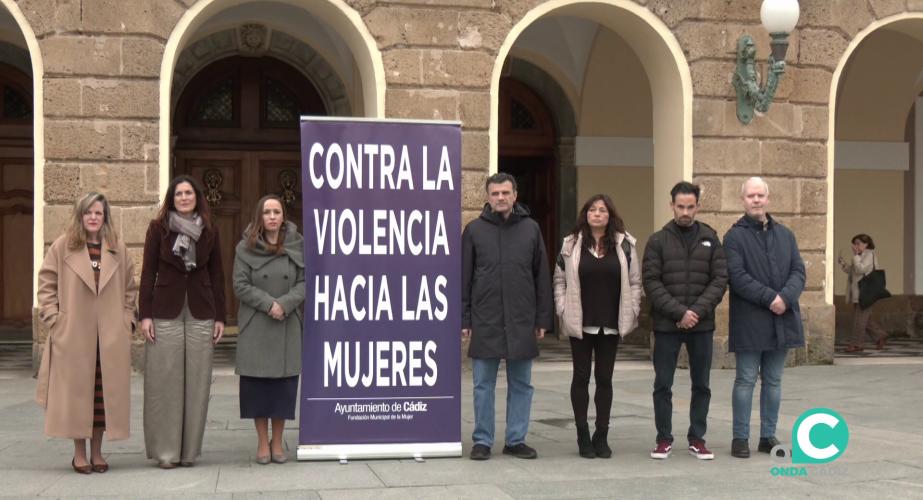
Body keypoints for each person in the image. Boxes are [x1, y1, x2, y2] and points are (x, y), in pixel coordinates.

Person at [36, 192, 137, 474]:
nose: (93, 217)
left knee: (102, 396)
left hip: (110, 337)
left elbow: (130, 288)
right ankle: (79, 453)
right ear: (80, 216)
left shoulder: (118, 249)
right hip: (74, 335)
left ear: (105, 218)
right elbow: (46, 284)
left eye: (98, 213)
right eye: (88, 213)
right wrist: (54, 319)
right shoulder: (62, 247)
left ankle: (98, 452)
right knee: (76, 395)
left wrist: (127, 321)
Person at [462, 172, 553, 461]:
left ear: (515, 195)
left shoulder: (531, 229)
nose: (500, 198)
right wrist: (464, 319)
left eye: (505, 193)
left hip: (521, 318)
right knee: (482, 384)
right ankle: (482, 440)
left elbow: (542, 276)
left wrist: (542, 318)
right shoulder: (474, 230)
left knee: (522, 383)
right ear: (488, 197)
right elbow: (463, 278)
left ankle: (516, 439)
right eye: (495, 193)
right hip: (485, 317)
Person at [140, 175, 226, 469]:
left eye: (189, 193)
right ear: (172, 198)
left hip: (202, 310)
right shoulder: (158, 229)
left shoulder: (210, 230)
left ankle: (188, 452)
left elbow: (217, 274)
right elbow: (147, 272)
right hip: (165, 309)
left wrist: (221, 317)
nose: (185, 197)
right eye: (179, 194)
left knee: (198, 382)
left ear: (197, 197)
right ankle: (167, 453)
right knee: (165, 380)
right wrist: (145, 315)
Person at [642, 182, 727, 461]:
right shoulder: (657, 241)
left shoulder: (711, 238)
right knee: (662, 384)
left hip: (701, 325)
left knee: (701, 384)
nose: (685, 212)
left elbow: (719, 279)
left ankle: (697, 438)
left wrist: (696, 312)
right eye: (681, 206)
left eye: (691, 207)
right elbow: (651, 282)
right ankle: (663, 439)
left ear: (698, 206)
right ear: (672, 206)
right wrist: (679, 312)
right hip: (667, 326)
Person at [553, 194, 642, 459]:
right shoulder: (571, 244)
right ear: (585, 214)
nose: (597, 213)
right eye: (592, 209)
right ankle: (582, 434)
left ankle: (601, 435)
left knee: (605, 379)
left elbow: (636, 282)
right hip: (581, 320)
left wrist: (634, 309)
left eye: (602, 210)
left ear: (610, 215)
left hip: (611, 323)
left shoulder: (625, 245)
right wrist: (562, 308)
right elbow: (559, 279)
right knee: (580, 377)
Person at [724, 177, 805, 459]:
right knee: (745, 379)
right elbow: (737, 277)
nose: (756, 200)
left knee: (773, 381)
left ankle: (768, 435)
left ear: (768, 198)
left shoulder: (786, 235)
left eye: (760, 195)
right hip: (750, 320)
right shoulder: (734, 237)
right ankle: (740, 437)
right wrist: (771, 298)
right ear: (743, 200)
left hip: (781, 320)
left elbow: (798, 272)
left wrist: (786, 297)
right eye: (750, 196)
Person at [233, 195, 305, 465]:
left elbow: (305, 280)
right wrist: (268, 304)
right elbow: (239, 285)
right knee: (258, 388)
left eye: (277, 211)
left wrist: (285, 304)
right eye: (267, 212)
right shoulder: (245, 247)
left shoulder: (298, 245)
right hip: (257, 323)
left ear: (283, 216)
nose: (272, 216)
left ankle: (278, 441)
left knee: (282, 388)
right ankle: (262, 442)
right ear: (259, 217)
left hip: (287, 322)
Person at [838, 234, 888, 352]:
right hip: (858, 292)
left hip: (866, 292)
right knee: (864, 319)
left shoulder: (869, 255)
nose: (856, 246)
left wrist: (855, 256)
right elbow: (853, 271)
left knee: (859, 320)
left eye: (858, 243)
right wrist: (843, 264)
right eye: (854, 243)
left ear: (866, 244)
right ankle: (880, 335)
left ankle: (857, 344)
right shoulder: (859, 256)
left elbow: (861, 269)